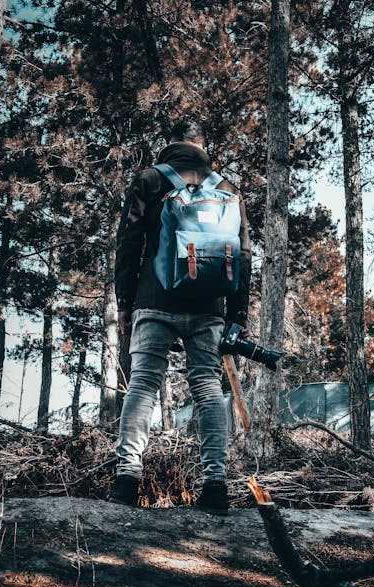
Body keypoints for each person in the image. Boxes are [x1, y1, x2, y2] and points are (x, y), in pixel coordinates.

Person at [111, 118, 251, 514]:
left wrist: (125, 302)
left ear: (170, 143)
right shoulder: (227, 188)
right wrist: (236, 315)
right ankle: (215, 486)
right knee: (207, 388)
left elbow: (129, 244)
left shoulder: (150, 179)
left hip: (154, 300)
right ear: (203, 146)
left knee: (142, 386)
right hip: (209, 308)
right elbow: (242, 256)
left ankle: (126, 481)